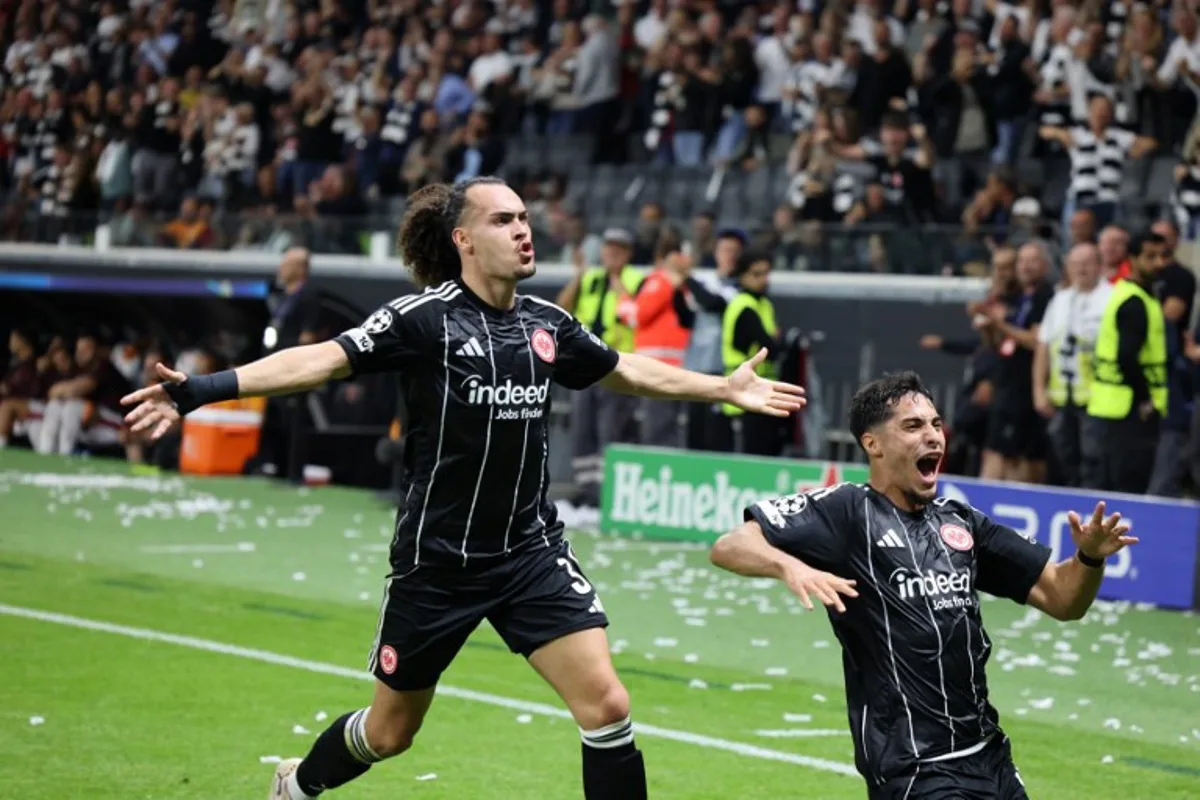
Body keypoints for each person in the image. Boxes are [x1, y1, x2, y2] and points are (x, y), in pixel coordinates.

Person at [122, 176, 805, 800]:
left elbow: (622, 369)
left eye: (525, 218)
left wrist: (723, 387)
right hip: (437, 562)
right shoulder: (421, 320)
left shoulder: (547, 324)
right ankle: (297, 785)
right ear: (464, 240)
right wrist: (203, 390)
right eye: (504, 220)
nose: (523, 230)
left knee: (607, 705)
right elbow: (322, 360)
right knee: (390, 735)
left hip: (528, 554)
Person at [710, 371, 1137, 799]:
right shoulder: (846, 511)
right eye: (913, 426)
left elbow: (1063, 598)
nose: (933, 436)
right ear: (872, 444)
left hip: (991, 758)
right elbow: (731, 545)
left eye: (935, 424)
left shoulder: (961, 521)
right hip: (914, 769)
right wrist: (790, 567)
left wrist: (1089, 557)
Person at [555, 227, 644, 508]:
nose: (612, 253)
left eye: (619, 249)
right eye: (608, 247)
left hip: (617, 367)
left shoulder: (636, 280)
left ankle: (611, 496)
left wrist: (616, 278)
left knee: (611, 431)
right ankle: (588, 492)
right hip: (585, 366)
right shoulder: (590, 278)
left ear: (628, 254)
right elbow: (562, 306)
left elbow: (634, 315)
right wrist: (579, 274)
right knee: (583, 430)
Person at [1084, 231, 1171, 494]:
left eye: (1162, 256)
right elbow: (1126, 356)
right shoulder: (1135, 302)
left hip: (1111, 407)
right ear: (1132, 259)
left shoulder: (1127, 293)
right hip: (1128, 412)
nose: (1157, 263)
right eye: (1150, 256)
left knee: (1109, 485)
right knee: (1126, 489)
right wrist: (1145, 399)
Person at [1033, 243, 1111, 487]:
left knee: (1094, 459)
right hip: (1061, 397)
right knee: (1063, 457)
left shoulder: (1111, 297)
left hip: (1096, 399)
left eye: (1087, 263)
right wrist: (1039, 390)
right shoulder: (1060, 299)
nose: (1081, 269)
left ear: (1099, 265)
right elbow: (1044, 346)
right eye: (1075, 264)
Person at [977, 243, 1053, 483]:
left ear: (1045, 265)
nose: (1026, 266)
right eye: (1022, 261)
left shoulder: (1046, 297)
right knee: (996, 452)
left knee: (1020, 459)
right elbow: (999, 343)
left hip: (1026, 390)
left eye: (1032, 261)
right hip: (1006, 386)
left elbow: (1035, 340)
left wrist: (998, 323)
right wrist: (990, 326)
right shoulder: (1018, 299)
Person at [620, 226, 693, 447]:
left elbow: (636, 315)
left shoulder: (660, 281)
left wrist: (625, 303)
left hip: (656, 366)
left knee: (657, 429)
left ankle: (656, 475)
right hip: (676, 364)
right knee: (668, 427)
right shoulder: (684, 285)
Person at [720, 250, 785, 456]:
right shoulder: (744, 305)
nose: (764, 280)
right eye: (756, 274)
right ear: (743, 276)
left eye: (766, 274)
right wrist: (776, 341)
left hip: (763, 392)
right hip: (743, 394)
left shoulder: (764, 304)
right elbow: (771, 347)